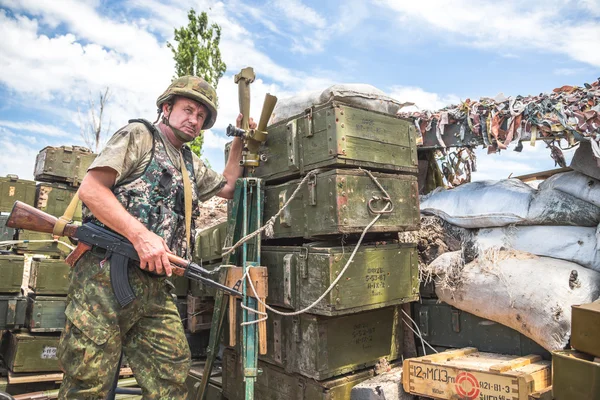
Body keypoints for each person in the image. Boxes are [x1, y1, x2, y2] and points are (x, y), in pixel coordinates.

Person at [57, 75, 255, 399]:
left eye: (201, 117)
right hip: (103, 279)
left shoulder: (189, 163)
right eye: (188, 110)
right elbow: (91, 189)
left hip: (155, 287)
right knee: (87, 382)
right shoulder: (139, 136)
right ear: (167, 107)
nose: (194, 120)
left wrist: (239, 141)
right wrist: (139, 235)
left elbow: (229, 187)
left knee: (172, 375)